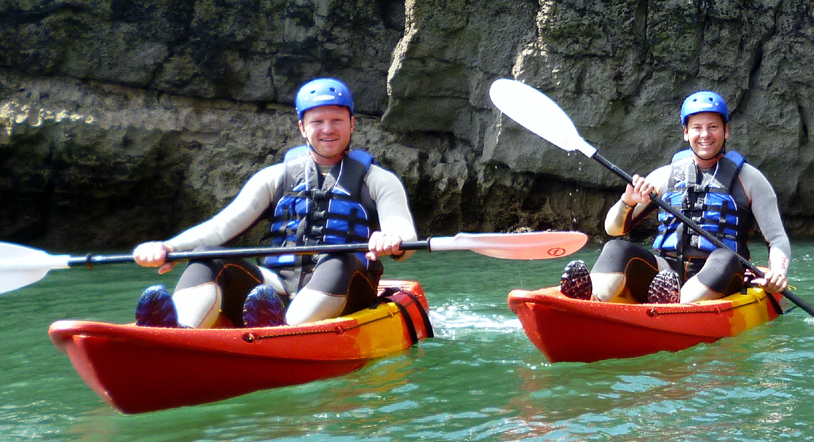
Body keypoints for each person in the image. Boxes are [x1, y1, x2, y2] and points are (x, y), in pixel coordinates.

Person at [132, 77, 418, 328]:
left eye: (337, 120)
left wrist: (392, 239)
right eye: (317, 122)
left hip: (345, 285)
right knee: (208, 255)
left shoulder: (378, 180)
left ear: (352, 124)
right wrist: (169, 247)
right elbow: (221, 228)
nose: (327, 129)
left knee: (338, 258)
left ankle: (282, 332)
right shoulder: (274, 178)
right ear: (302, 128)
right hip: (274, 291)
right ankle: (179, 331)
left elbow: (404, 235)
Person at [560, 90, 790, 304]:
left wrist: (778, 273)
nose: (705, 135)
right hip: (665, 273)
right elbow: (614, 229)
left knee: (728, 257)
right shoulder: (664, 176)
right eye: (697, 127)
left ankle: (673, 308)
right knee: (617, 248)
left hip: (720, 276)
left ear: (726, 131)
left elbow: (777, 239)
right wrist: (627, 202)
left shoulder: (749, 179)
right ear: (685, 132)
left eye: (713, 127)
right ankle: (592, 302)